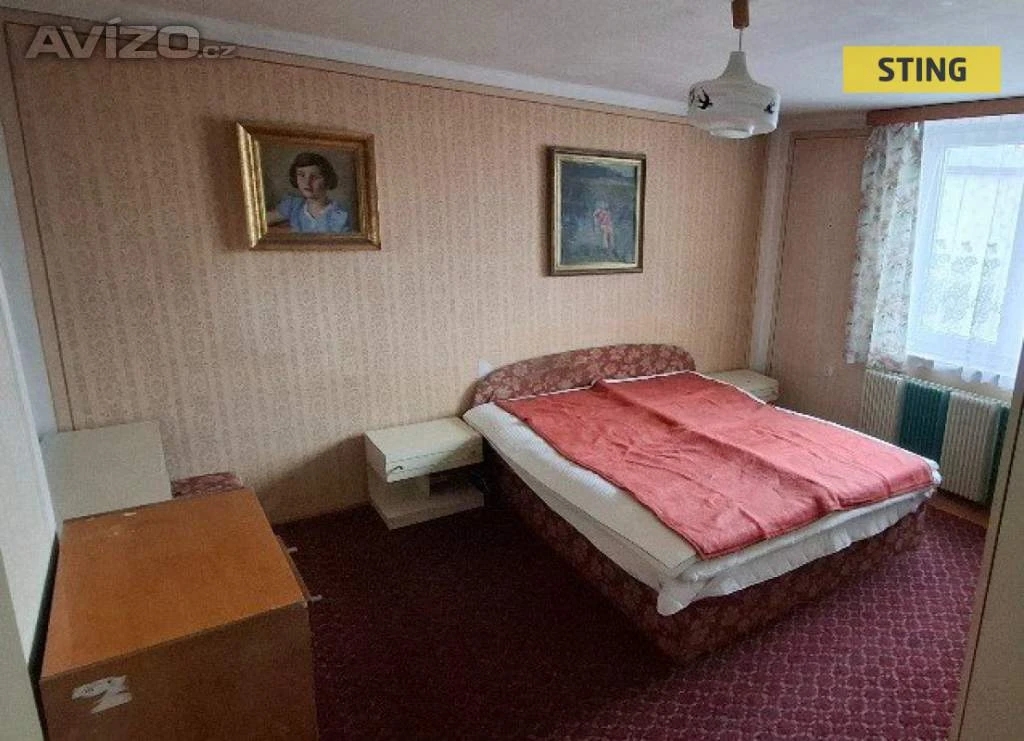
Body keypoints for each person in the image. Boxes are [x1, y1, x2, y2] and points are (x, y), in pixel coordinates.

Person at [266, 152, 350, 234]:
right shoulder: (293, 205)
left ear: (327, 180)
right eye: (301, 175)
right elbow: (260, 223)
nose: (307, 182)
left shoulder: (339, 216)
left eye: (315, 176)